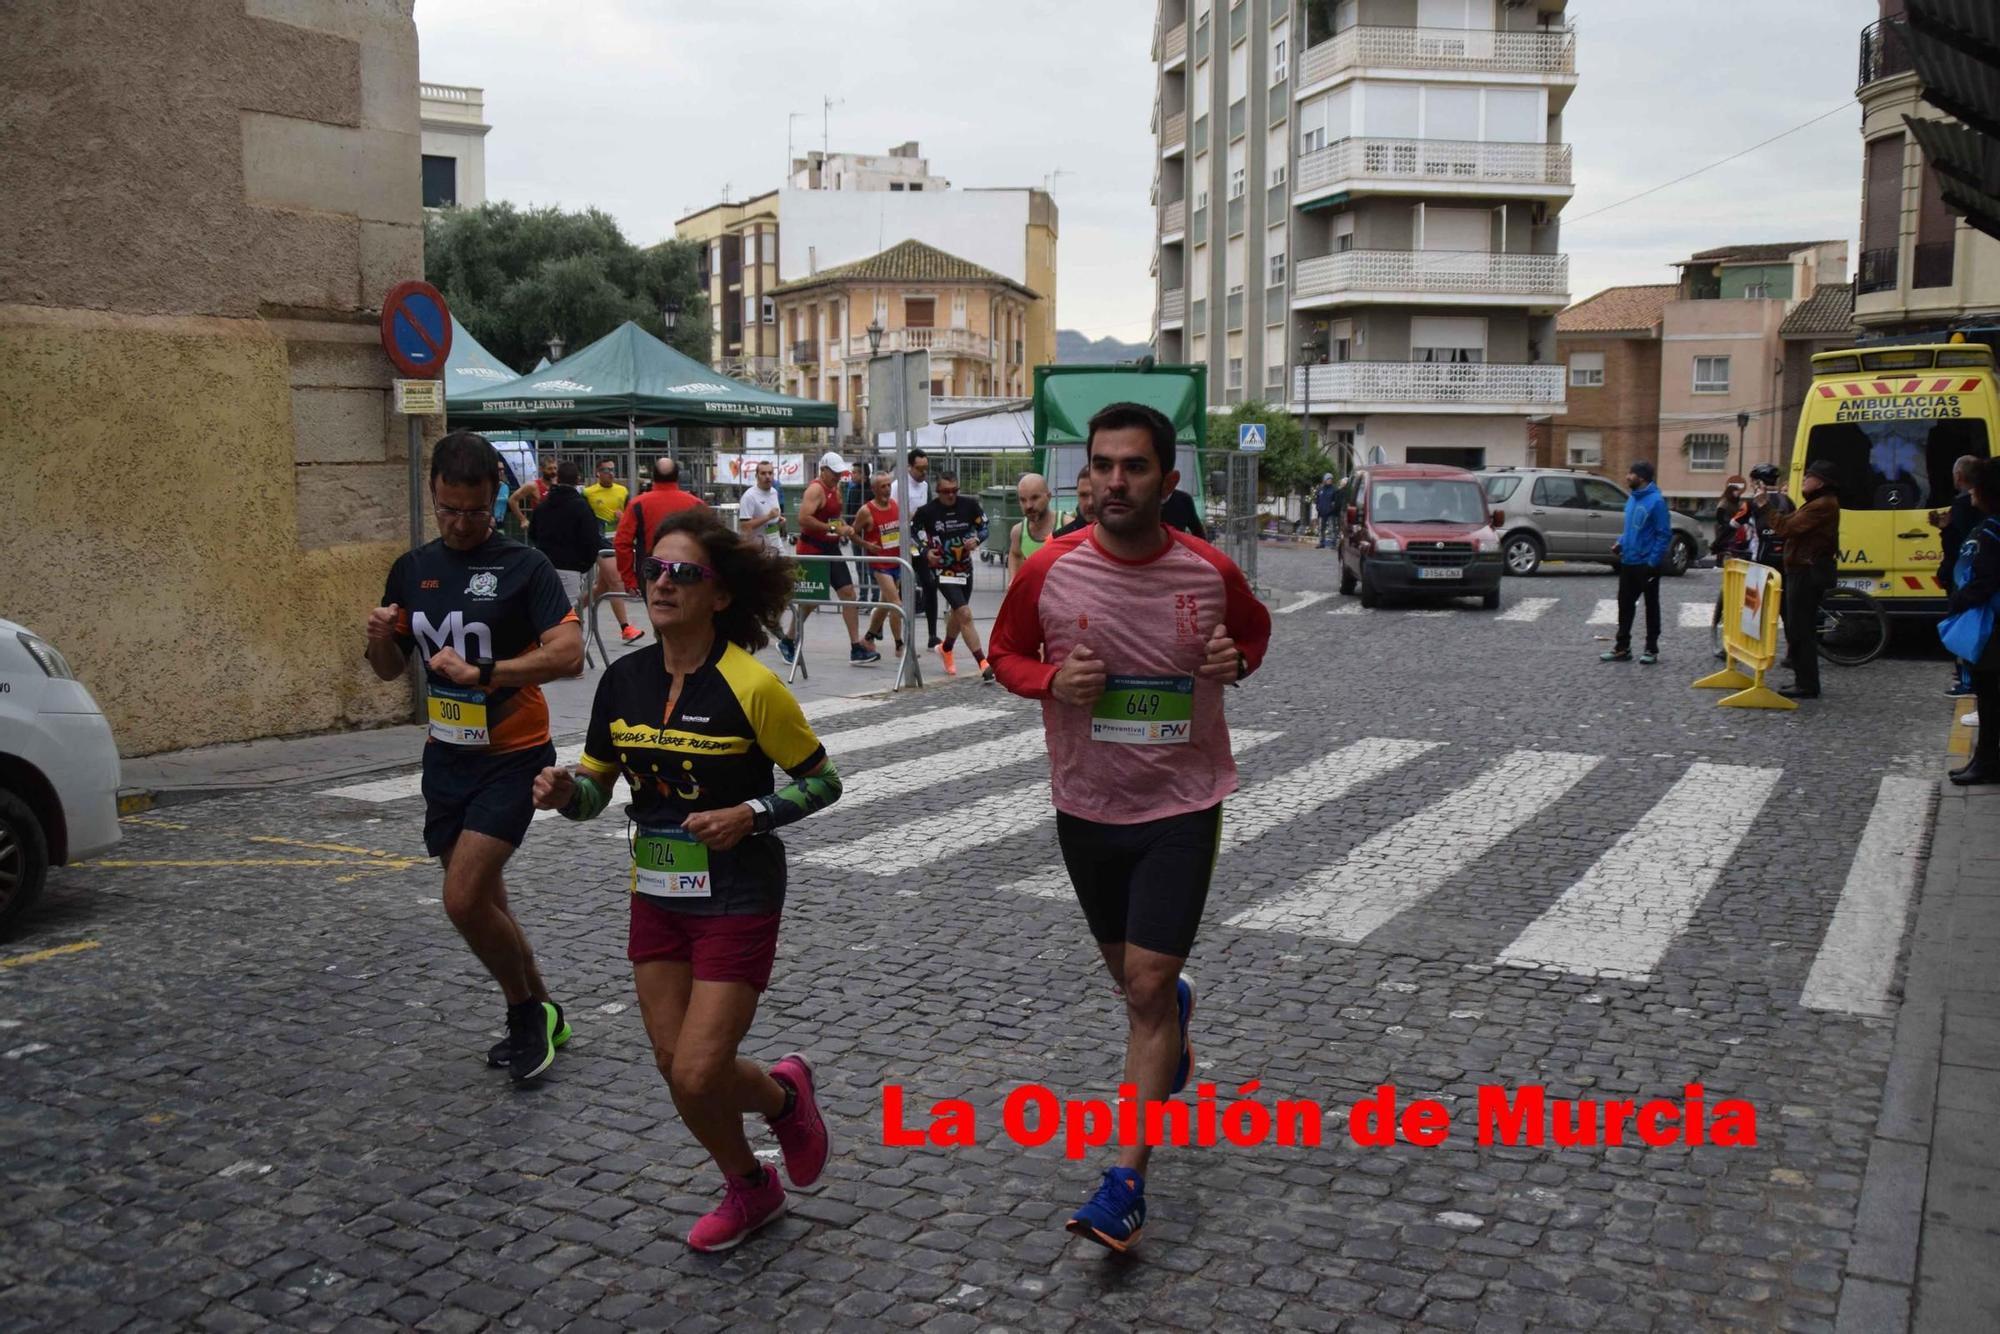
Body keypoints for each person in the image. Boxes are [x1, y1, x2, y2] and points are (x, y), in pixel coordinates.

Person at [988, 401, 1272, 1252]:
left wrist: (1236, 661)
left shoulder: (1209, 572)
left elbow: (1252, 638)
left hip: (1182, 805)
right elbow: (1002, 654)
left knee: (1144, 990)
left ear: (1167, 480)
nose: (1116, 480)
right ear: (1086, 478)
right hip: (1087, 805)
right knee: (1134, 984)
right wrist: (1049, 681)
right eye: (1103, 465)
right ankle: (1169, 1012)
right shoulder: (1051, 570)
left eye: (1134, 466)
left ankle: (1126, 1182)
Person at [531, 510, 843, 1250]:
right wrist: (562, 793)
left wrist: (752, 813)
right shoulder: (623, 681)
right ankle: (752, 1185)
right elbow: (597, 792)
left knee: (701, 1071)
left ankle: (784, 1097)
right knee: (675, 1067)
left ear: (721, 596)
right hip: (657, 890)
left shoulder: (753, 687)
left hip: (739, 890)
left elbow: (823, 782)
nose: (663, 584)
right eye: (656, 571)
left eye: (685, 574)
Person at [364, 430, 585, 1084]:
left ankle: (523, 1015)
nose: (460, 524)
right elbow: (385, 671)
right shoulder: (414, 567)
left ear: (497, 498)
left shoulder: (525, 567)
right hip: (447, 758)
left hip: (514, 756)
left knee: (462, 900)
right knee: (486, 898)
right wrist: (378, 637)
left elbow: (569, 655)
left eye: (474, 510)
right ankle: (546, 1010)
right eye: (447, 509)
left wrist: (484, 672)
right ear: (433, 494)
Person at [778, 452, 880, 668]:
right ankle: (787, 640)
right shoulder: (815, 489)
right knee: (811, 600)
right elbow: (804, 519)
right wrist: (835, 528)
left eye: (839, 473)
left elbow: (833, 518)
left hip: (830, 547)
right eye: (833, 473)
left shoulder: (836, 488)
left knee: (848, 593)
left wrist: (849, 531)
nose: (837, 476)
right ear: (822, 470)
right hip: (812, 549)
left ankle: (855, 647)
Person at [1757, 458, 1842, 700]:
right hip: (1803, 569)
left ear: (1821, 483)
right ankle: (1803, 680)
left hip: (1807, 572)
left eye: (1809, 477)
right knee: (1797, 627)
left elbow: (1787, 529)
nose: (1804, 480)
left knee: (1800, 629)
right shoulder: (1818, 503)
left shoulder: (1822, 505)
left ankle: (1807, 684)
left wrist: (1765, 506)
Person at [1945, 456, 2000, 785]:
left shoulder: (1992, 530)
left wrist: (1959, 601)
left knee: (1989, 696)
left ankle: (1987, 761)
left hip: (1991, 622)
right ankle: (1983, 758)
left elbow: (1984, 579)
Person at [912, 471, 991, 679]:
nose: (950, 495)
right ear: (937, 491)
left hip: (964, 568)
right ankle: (983, 662)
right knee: (964, 613)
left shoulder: (969, 505)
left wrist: (977, 540)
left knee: (959, 613)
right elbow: (911, 533)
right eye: (946, 492)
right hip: (942, 569)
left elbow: (985, 526)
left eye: (954, 491)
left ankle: (946, 648)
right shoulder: (927, 511)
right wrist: (925, 551)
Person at [1601, 460, 1672, 666]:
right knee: (1624, 605)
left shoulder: (1657, 502)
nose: (1627, 477)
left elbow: (1663, 534)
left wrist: (1653, 561)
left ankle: (1651, 649)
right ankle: (1622, 648)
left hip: (1646, 564)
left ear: (1641, 477)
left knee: (1651, 607)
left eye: (1630, 473)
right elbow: (1631, 529)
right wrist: (1621, 543)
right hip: (1628, 561)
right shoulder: (1632, 499)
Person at [616, 456, 707, 591]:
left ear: (653, 476)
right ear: (677, 476)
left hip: (651, 572)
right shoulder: (696, 504)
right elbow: (710, 540)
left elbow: (622, 543)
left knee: (657, 610)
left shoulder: (637, 504)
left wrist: (629, 579)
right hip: (687, 570)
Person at [1933, 455, 1982, 699]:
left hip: (1964, 574)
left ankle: (1967, 680)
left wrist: (1945, 530)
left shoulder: (1963, 504)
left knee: (1964, 627)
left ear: (1959, 477)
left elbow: (1958, 545)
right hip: (1972, 573)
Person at [528, 459, 603, 611]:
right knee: (566, 615)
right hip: (570, 567)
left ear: (557, 478)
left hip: (544, 565)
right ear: (577, 480)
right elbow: (591, 539)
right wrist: (583, 565)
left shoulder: (543, 505)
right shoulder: (582, 506)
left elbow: (532, 533)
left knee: (544, 610)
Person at [582, 460, 642, 644]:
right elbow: (582, 517)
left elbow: (631, 517)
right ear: (598, 472)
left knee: (601, 588)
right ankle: (626, 628)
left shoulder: (622, 491)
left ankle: (568, 613)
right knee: (617, 582)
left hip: (618, 542)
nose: (611, 473)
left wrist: (623, 519)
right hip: (600, 544)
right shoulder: (588, 493)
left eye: (613, 470)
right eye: (606, 470)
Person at [851, 470, 906, 658]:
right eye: (883, 486)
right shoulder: (866, 511)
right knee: (896, 604)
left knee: (884, 604)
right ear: (874, 489)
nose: (887, 489)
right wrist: (867, 545)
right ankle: (900, 645)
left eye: (889, 485)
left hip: (896, 560)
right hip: (880, 564)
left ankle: (868, 638)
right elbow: (852, 532)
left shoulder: (895, 505)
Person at [1709, 475, 1753, 660]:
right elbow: (1725, 525)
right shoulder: (1727, 504)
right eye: (1734, 489)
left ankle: (1740, 643)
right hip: (1733, 546)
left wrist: (1717, 544)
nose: (1737, 492)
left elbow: (1735, 524)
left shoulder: (1748, 506)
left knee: (1741, 601)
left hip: (1742, 549)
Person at [906, 448, 939, 650]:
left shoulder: (925, 486)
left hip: (918, 543)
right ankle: (877, 629)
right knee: (895, 591)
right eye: (919, 469)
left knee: (930, 582)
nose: (923, 473)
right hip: (901, 543)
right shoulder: (898, 486)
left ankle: (932, 634)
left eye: (926, 469)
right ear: (910, 467)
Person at [1008, 472, 1056, 580]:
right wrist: (1013, 582)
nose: (1028, 505)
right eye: (1023, 500)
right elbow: (1015, 555)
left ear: (1049, 497)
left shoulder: (1067, 526)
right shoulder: (1018, 532)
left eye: (1034, 498)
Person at [737, 458, 788, 555]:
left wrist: (778, 520)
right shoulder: (749, 496)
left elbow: (770, 518)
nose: (767, 476)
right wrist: (768, 517)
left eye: (770, 473)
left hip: (776, 543)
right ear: (757, 476)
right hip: (758, 548)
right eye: (763, 473)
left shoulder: (774, 492)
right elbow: (744, 526)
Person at [509, 456, 559, 528]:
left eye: (555, 468)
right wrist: (523, 519)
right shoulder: (533, 486)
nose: (553, 472)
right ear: (541, 469)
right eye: (549, 469)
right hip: (541, 528)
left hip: (558, 527)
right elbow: (512, 500)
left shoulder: (560, 485)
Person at [1054, 466, 1096, 538]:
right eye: (1083, 495)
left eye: (1096, 494)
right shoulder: (1061, 539)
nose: (1090, 503)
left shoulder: (1120, 539)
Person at [1313, 473, 1341, 549]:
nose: (1330, 480)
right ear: (1325, 480)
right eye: (1328, 479)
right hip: (1321, 512)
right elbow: (1317, 499)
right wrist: (1318, 507)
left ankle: (1333, 543)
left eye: (1331, 479)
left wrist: (1332, 508)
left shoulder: (1334, 489)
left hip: (1331, 513)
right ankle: (1321, 542)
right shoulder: (1320, 489)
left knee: (1332, 528)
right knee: (1321, 528)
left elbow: (1336, 501)